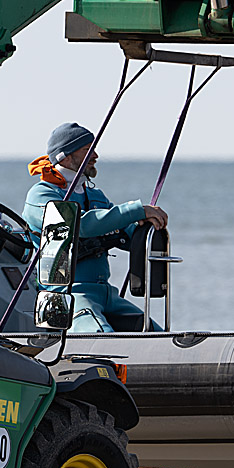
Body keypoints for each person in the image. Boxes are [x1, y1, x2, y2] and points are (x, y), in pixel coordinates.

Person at [23, 122, 168, 333]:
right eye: (87, 150)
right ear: (65, 156)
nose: (95, 155)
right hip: (64, 296)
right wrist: (137, 210)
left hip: (106, 294)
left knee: (156, 335)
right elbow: (80, 225)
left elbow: (121, 232)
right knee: (104, 339)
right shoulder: (42, 196)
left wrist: (146, 227)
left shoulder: (96, 196)